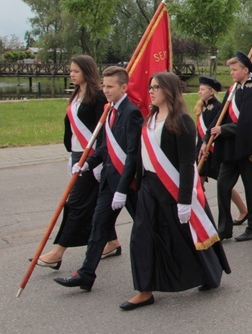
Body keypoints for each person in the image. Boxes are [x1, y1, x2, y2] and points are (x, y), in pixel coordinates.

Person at [123, 72, 230, 310]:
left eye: (156, 87)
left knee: (184, 237)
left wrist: (184, 200)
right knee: (141, 237)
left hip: (173, 190)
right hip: (149, 188)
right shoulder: (149, 119)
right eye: (150, 87)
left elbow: (185, 163)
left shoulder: (181, 120)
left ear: (169, 91)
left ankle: (209, 273)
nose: (151, 91)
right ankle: (144, 289)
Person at [53, 66, 142, 291]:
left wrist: (122, 189)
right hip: (109, 181)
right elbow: (103, 147)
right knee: (98, 226)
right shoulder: (109, 110)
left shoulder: (131, 112)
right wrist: (86, 164)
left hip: (128, 185)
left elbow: (133, 154)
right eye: (104, 85)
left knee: (148, 228)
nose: (105, 90)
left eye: (110, 86)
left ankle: (184, 263)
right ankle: (86, 275)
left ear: (123, 87)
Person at [35, 55, 107, 270]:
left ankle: (59, 251)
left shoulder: (97, 96)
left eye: (76, 70)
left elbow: (104, 131)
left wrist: (99, 161)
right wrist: (71, 155)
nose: (71, 74)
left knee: (75, 203)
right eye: (71, 70)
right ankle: (111, 242)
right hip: (77, 155)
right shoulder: (76, 95)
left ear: (87, 71)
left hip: (92, 158)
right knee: (94, 204)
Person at [203, 52, 252, 242]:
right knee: (223, 186)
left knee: (251, 188)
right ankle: (225, 228)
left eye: (234, 69)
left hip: (246, 148)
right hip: (230, 148)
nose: (231, 72)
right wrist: (208, 136)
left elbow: (250, 122)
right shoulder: (232, 90)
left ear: (245, 71)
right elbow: (221, 115)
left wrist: (223, 129)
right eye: (230, 69)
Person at [195, 77, 249, 225]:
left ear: (212, 92)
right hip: (202, 150)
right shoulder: (203, 107)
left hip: (213, 151)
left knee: (224, 184)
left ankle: (244, 209)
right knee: (198, 184)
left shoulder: (218, 107)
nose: (199, 92)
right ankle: (200, 217)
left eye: (203, 89)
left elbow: (218, 129)